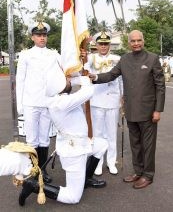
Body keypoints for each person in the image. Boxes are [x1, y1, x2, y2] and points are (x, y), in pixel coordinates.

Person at [89, 30, 165, 189]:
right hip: (130, 110)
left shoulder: (152, 59)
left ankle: (148, 175)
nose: (136, 43)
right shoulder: (124, 59)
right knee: (135, 144)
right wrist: (95, 77)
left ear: (143, 41)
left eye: (139, 40)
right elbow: (110, 75)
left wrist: (158, 110)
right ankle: (138, 171)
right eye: (133, 41)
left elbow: (160, 86)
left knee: (148, 145)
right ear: (129, 42)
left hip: (148, 111)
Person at [18, 75, 108, 206]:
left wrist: (71, 79)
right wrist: (82, 78)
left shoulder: (61, 98)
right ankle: (33, 186)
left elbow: (77, 89)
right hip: (74, 152)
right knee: (73, 197)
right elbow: (88, 91)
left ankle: (86, 179)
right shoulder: (60, 103)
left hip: (81, 143)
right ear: (57, 87)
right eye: (65, 80)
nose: (68, 80)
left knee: (101, 145)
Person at [16, 21, 64, 184]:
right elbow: (20, 79)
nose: (42, 38)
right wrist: (20, 105)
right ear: (32, 37)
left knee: (44, 138)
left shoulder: (54, 55)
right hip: (30, 102)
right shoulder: (25, 55)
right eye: (38, 35)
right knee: (31, 138)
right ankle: (32, 168)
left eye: (44, 35)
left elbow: (64, 71)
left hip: (47, 102)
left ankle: (42, 169)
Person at [83, 32, 122, 175]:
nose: (103, 46)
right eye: (101, 44)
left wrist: (122, 98)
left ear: (109, 45)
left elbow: (121, 80)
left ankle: (111, 162)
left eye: (106, 44)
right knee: (98, 135)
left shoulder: (117, 59)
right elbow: (84, 73)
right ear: (96, 45)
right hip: (97, 100)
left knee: (112, 134)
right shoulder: (90, 58)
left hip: (113, 100)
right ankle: (98, 163)